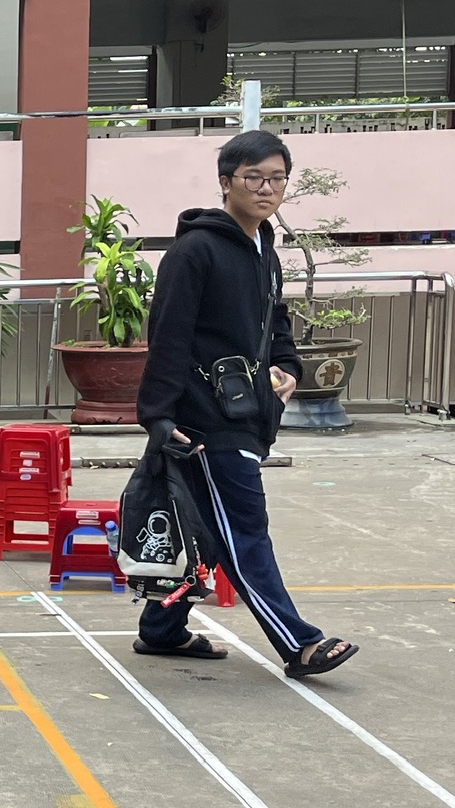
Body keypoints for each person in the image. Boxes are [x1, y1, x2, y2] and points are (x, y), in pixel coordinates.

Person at [133, 128, 357, 680]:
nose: (266, 188)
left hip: (247, 412)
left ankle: (161, 629)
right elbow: (168, 335)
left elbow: (274, 321)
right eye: (253, 177)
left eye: (277, 178)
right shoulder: (194, 251)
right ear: (226, 182)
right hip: (204, 419)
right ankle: (300, 644)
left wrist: (289, 366)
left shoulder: (264, 251)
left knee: (207, 530)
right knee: (245, 528)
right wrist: (158, 415)